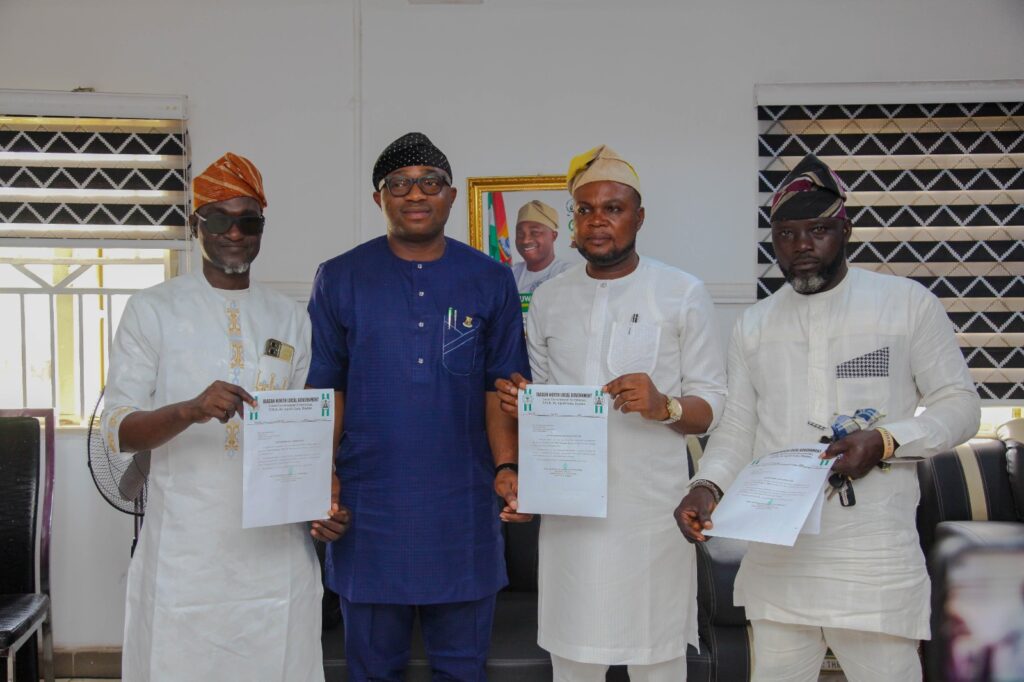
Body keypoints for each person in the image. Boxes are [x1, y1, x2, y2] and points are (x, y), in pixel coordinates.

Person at [675, 153, 981, 682]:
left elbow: (960, 405)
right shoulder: (754, 325)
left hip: (872, 551)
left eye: (818, 230)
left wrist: (886, 440)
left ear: (846, 230)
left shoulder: (905, 305)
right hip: (779, 553)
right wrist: (706, 486)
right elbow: (738, 429)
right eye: (786, 234)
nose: (801, 246)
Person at [102, 152, 348, 681]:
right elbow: (119, 431)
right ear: (196, 225)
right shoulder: (152, 309)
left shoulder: (289, 317)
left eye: (248, 221)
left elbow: (305, 433)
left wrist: (322, 503)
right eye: (218, 219)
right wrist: (189, 410)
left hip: (276, 556)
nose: (234, 233)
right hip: (186, 553)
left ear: (261, 228)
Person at [496, 145, 727, 681]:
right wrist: (526, 405)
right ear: (573, 221)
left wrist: (664, 405)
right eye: (586, 209)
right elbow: (545, 409)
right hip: (572, 521)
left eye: (614, 208)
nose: (598, 220)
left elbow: (712, 406)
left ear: (639, 217)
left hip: (650, 517)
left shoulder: (681, 292)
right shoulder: (550, 299)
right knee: (574, 662)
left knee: (657, 662)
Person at [306, 132, 530, 681]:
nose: (415, 194)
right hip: (369, 505)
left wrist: (507, 466)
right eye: (399, 184)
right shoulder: (340, 276)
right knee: (371, 669)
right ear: (378, 198)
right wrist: (320, 475)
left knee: (462, 668)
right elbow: (327, 387)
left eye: (430, 182)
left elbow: (500, 386)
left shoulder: (490, 278)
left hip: (464, 504)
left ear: (450, 195)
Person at [511, 199, 572, 294]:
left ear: (553, 236)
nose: (525, 240)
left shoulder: (568, 274)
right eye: (520, 234)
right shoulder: (512, 274)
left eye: (535, 232)